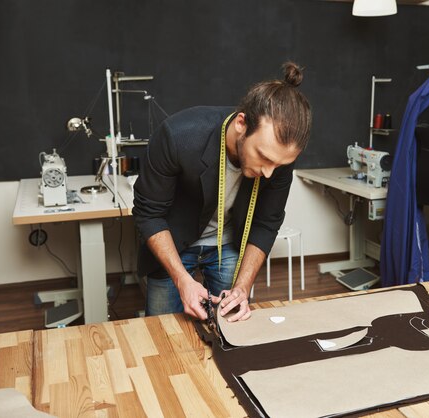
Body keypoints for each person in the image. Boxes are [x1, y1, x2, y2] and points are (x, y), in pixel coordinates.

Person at [132, 62, 312, 322]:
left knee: (230, 325)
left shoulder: (278, 156)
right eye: (263, 157)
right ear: (241, 123)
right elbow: (149, 214)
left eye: (279, 164)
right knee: (163, 330)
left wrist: (243, 287)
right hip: (173, 239)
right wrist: (183, 280)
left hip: (228, 242)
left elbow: (266, 222)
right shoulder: (179, 136)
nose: (270, 173)